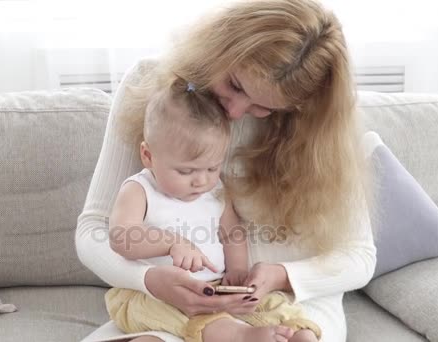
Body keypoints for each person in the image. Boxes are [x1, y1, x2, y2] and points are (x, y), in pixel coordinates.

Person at [76, 0, 376, 341]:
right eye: (235, 84)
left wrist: (280, 275)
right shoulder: (156, 92)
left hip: (289, 302)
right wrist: (149, 280)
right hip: (168, 304)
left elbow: (359, 258)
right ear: (220, 47)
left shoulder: (324, 134)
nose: (234, 112)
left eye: (265, 107)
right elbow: (94, 231)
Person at [104, 77, 321, 342]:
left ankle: (296, 330)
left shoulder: (215, 189)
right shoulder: (140, 189)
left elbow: (231, 234)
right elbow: (120, 236)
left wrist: (237, 270)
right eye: (186, 171)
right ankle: (241, 336)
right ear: (148, 156)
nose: (201, 180)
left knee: (267, 302)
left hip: (214, 285)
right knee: (204, 318)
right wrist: (171, 244)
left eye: (211, 167)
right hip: (153, 295)